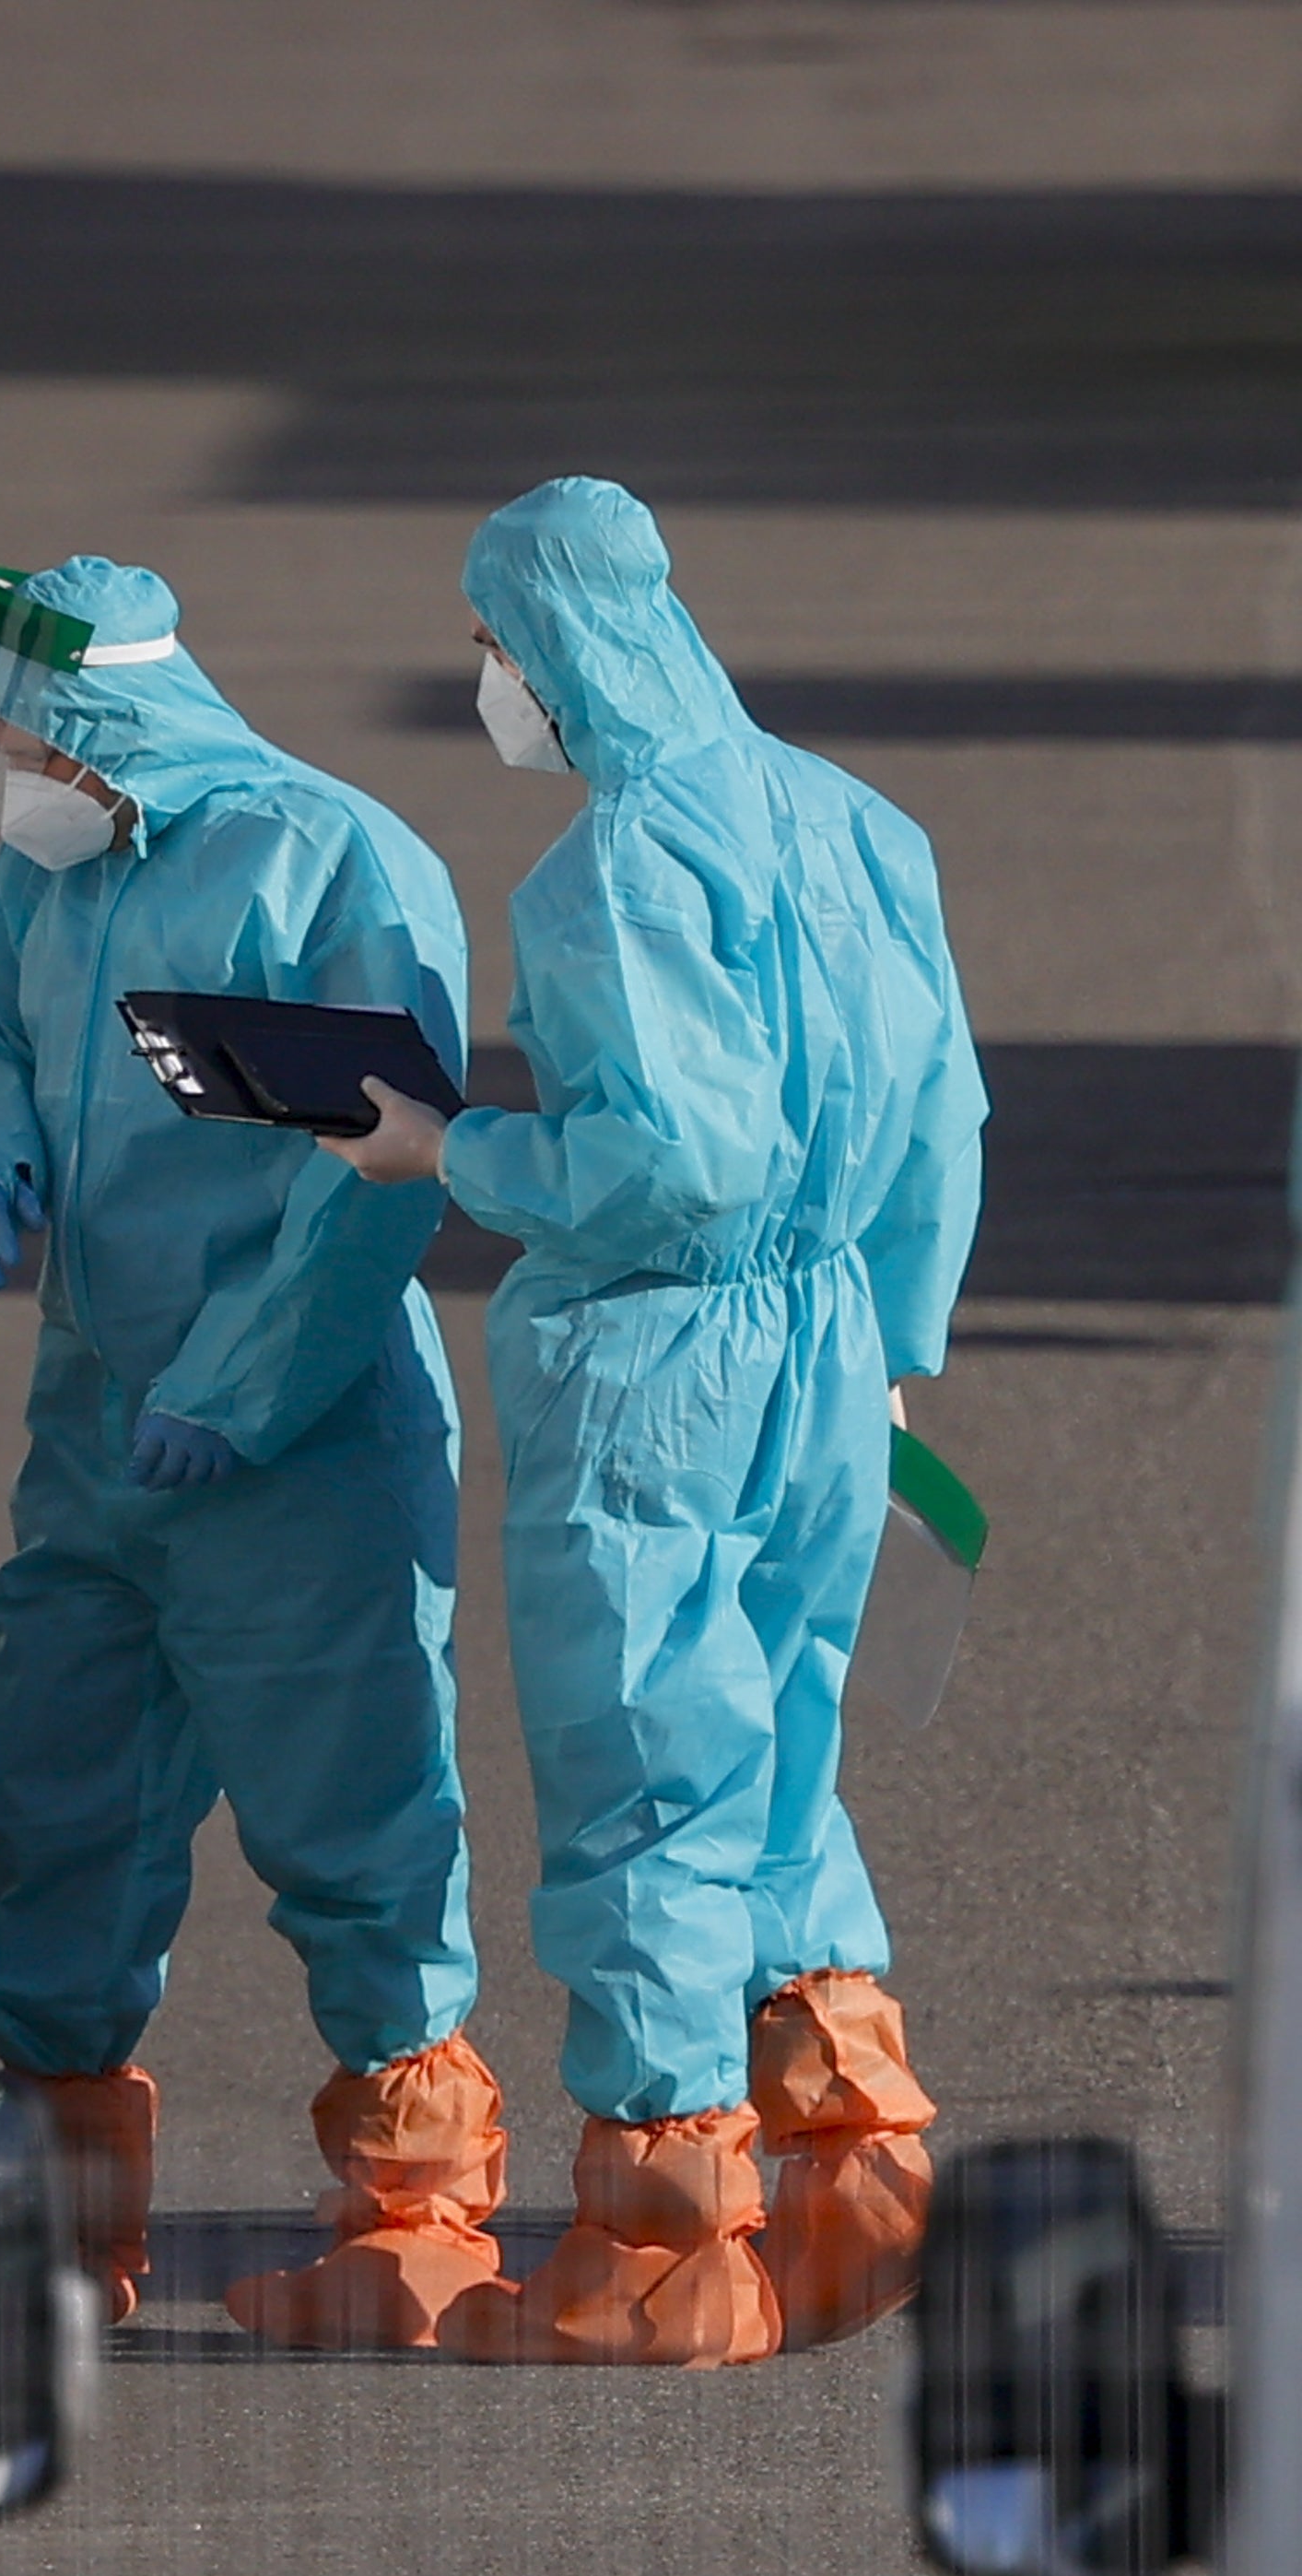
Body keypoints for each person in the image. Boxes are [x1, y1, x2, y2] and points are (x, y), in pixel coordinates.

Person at [337, 476, 982, 2365]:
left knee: (647, 1774)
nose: (490, 684)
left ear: (550, 649)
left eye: (490, 649)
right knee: (782, 1750)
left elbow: (667, 1161)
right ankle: (857, 2166)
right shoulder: (860, 822)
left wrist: (450, 1146)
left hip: (663, 1369)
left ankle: (665, 2242)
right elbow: (945, 1116)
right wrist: (895, 1338)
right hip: (833, 1350)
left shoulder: (621, 863)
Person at [0, 559, 507, 2344]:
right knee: (56, 1795)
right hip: (98, 1430)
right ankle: (52, 2214)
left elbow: (374, 1174)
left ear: (101, 730)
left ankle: (423, 2205)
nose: (1, 776)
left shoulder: (334, 869)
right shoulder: (55, 868)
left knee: (357, 1807)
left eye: (21, 743)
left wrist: (237, 1387)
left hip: (297, 1453)